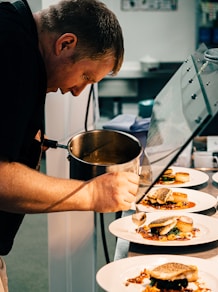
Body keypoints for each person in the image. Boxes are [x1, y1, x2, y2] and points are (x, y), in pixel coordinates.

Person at [0, 0, 140, 290]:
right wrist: (92, 194)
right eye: (86, 76)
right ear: (65, 44)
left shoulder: (15, 31)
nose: (78, 91)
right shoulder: (11, 50)